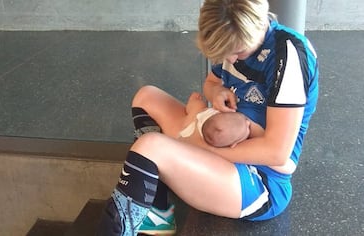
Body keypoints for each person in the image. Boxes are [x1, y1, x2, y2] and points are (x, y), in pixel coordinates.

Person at [97, 0, 319, 235]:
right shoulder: (230, 35)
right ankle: (158, 210)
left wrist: (202, 147)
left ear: (257, 25)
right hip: (218, 136)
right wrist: (216, 92)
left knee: (150, 146)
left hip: (259, 180)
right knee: (147, 98)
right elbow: (212, 82)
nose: (231, 59)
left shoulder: (289, 55)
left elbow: (277, 153)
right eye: (225, 53)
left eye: (238, 51)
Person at [179, 91, 264, 148]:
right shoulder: (228, 140)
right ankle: (193, 105)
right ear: (233, 144)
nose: (248, 123)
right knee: (195, 112)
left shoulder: (220, 121)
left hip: (197, 123)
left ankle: (193, 103)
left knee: (197, 108)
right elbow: (262, 136)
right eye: (247, 128)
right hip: (197, 125)